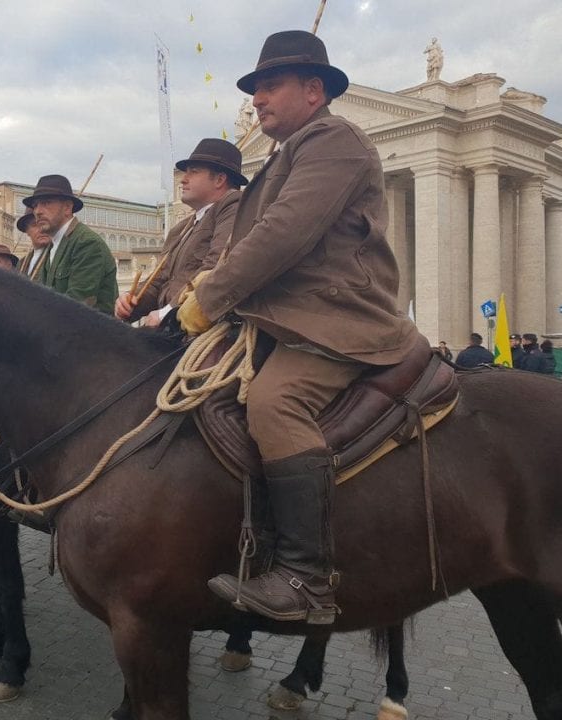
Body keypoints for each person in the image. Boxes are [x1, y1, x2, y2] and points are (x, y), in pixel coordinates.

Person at [178, 30, 422, 624]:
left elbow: (283, 234)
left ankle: (306, 578)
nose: (257, 99)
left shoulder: (335, 141)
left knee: (273, 402)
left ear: (314, 91)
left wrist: (211, 293)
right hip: (285, 317)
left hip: (335, 318)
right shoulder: (290, 152)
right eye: (255, 88)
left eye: (270, 86)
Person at [116, 138, 245, 328]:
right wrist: (132, 301)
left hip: (196, 326)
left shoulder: (233, 207)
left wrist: (167, 312)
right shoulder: (181, 228)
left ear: (219, 179)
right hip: (166, 325)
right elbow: (159, 278)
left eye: (193, 172)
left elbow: (216, 265)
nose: (183, 179)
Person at [27, 174, 118, 314]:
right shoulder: (51, 248)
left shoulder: (87, 243)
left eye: (46, 203)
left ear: (67, 208)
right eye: (35, 205)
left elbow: (76, 307)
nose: (37, 211)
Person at [17, 212, 51, 282]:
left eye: (44, 224)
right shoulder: (21, 263)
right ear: (27, 231)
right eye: (35, 225)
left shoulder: (58, 255)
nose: (41, 230)